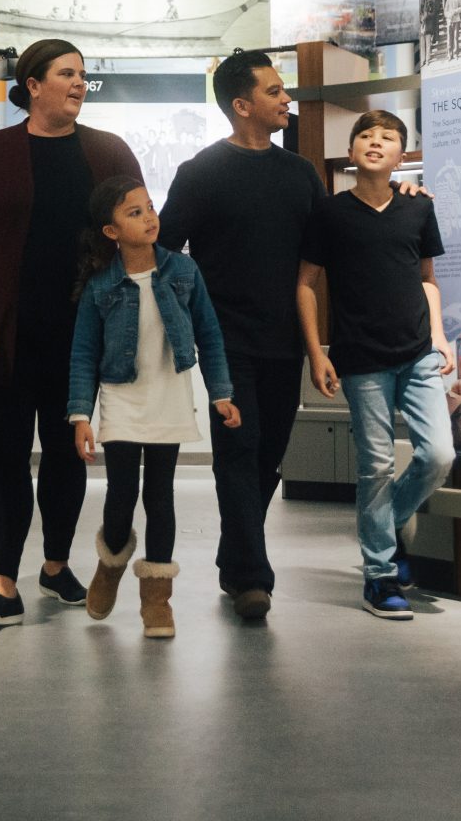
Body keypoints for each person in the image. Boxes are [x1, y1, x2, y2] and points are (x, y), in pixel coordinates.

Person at [0, 40, 143, 631]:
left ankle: (56, 566)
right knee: (6, 456)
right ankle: (0, 584)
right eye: (66, 74)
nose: (79, 83)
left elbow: (138, 232)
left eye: (83, 75)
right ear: (32, 86)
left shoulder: (109, 151)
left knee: (67, 455)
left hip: (82, 336)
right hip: (2, 333)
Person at [157, 50, 325, 620]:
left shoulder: (300, 173)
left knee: (267, 455)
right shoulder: (200, 173)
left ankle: (235, 557)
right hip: (226, 340)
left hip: (286, 339)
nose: (286, 100)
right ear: (242, 105)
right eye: (275, 91)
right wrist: (186, 319)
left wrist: (399, 199)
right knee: (239, 447)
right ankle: (253, 577)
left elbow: (332, 241)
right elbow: (165, 252)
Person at [296, 110, 454, 621]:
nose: (375, 142)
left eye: (388, 137)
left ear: (402, 156)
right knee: (377, 466)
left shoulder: (418, 208)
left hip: (418, 352)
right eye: (366, 135)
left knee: (438, 456)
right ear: (352, 148)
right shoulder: (330, 211)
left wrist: (440, 336)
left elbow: (427, 279)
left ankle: (388, 526)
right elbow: (305, 284)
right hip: (360, 358)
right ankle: (379, 575)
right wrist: (316, 351)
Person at [70, 176, 238, 639]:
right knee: (121, 497)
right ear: (111, 231)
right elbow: (83, 352)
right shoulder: (101, 284)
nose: (149, 217)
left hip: (169, 396)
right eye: (134, 213)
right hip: (122, 398)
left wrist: (221, 392)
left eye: (149, 207)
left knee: (160, 496)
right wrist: (80, 415)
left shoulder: (184, 271)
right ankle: (110, 566)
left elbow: (209, 333)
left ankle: (157, 597)